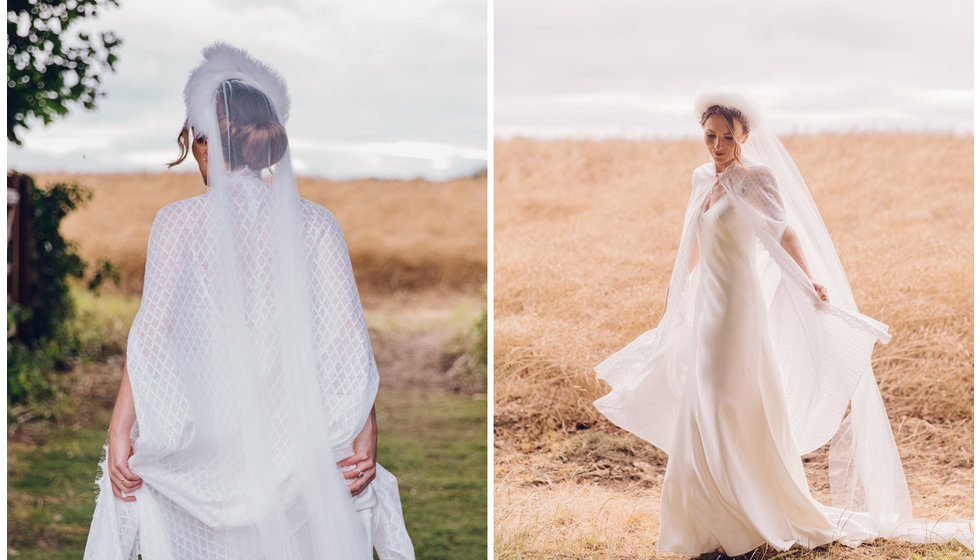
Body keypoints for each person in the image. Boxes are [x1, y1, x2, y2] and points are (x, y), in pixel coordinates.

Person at [593, 92, 972, 556]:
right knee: (702, 405)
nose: (717, 146)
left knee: (729, 402)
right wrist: (675, 299)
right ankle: (704, 524)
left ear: (745, 136)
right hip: (706, 306)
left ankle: (747, 522)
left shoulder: (757, 178)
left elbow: (784, 229)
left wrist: (811, 279)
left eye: (727, 137)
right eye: (710, 136)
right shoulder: (698, 179)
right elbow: (692, 240)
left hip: (739, 309)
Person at [84, 43, 414, 559]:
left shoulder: (176, 223)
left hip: (204, 430)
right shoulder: (316, 224)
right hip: (295, 435)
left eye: (195, 142)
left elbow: (152, 335)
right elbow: (348, 341)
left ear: (203, 142)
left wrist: (120, 426)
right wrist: (363, 431)